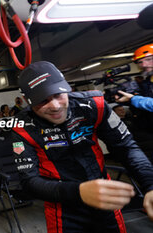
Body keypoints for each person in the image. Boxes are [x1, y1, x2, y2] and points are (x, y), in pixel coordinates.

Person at [12, 61, 153, 233]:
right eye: (43, 100)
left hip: (106, 198)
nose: (55, 106)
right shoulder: (20, 126)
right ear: (28, 101)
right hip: (63, 208)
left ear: (67, 87)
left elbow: (126, 147)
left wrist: (150, 185)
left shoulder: (94, 105)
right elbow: (28, 182)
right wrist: (78, 192)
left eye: (58, 94)